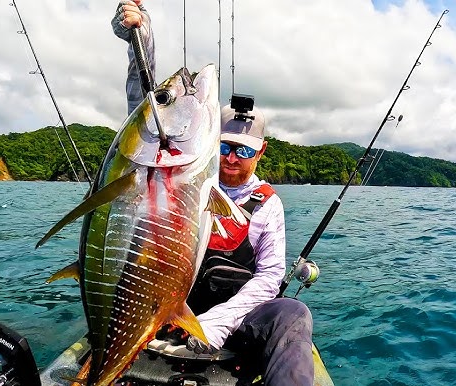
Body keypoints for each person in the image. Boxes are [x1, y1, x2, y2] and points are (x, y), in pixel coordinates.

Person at [112, 2, 315, 385]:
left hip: (233, 319)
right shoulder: (180, 180)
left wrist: (217, 322)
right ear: (207, 140)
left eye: (244, 150)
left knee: (293, 314)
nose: (232, 159)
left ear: (260, 151)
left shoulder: (268, 205)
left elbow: (270, 276)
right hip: (167, 308)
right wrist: (140, 37)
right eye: (223, 147)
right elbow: (150, 117)